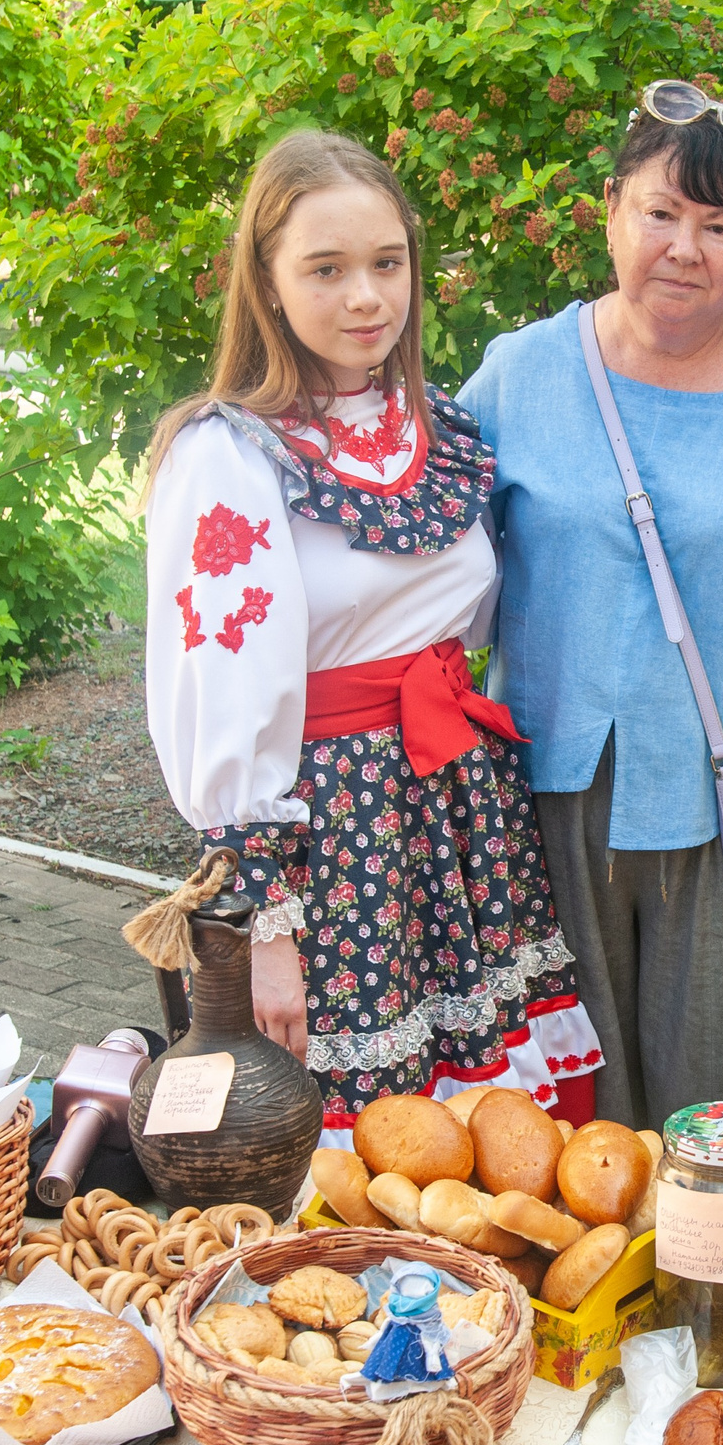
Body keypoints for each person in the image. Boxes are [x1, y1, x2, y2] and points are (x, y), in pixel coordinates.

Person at [140, 130, 602, 1146]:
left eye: (387, 263)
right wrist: (266, 923)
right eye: (326, 269)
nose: (366, 297)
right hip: (336, 835)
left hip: (464, 813)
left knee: (494, 1142)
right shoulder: (230, 456)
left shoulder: (440, 427)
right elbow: (223, 686)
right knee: (366, 1137)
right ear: (265, 279)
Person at [458, 86, 723, 1130]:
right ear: (610, 209)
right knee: (556, 1103)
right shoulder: (518, 373)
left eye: (718, 225)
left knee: (715, 1102)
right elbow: (438, 571)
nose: (684, 247)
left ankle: (712, 1291)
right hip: (545, 799)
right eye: (661, 212)